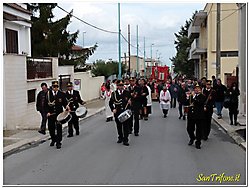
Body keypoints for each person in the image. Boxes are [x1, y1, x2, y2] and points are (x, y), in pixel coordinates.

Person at [47, 81, 69, 149]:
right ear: (52, 87)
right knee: (51, 128)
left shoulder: (61, 94)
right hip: (51, 115)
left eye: (57, 87)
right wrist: (47, 112)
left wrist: (67, 107)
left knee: (59, 128)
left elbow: (65, 103)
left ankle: (58, 142)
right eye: (54, 87)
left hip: (59, 114)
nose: (55, 88)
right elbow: (45, 105)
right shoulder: (48, 94)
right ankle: (53, 139)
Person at [109, 80, 132, 146]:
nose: (121, 87)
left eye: (122, 85)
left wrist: (130, 103)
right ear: (117, 86)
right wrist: (113, 109)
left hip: (125, 112)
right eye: (119, 85)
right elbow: (110, 103)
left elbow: (130, 101)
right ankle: (120, 137)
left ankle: (126, 140)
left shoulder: (127, 93)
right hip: (118, 112)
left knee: (126, 126)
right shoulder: (114, 94)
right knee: (119, 126)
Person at [186, 83, 206, 149]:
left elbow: (200, 103)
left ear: (201, 90)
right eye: (195, 89)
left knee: (199, 130)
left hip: (199, 115)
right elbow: (186, 103)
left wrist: (194, 97)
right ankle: (192, 138)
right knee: (189, 128)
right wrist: (187, 97)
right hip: (191, 115)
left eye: (198, 89)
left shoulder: (202, 96)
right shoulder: (191, 96)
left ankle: (198, 142)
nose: (197, 90)